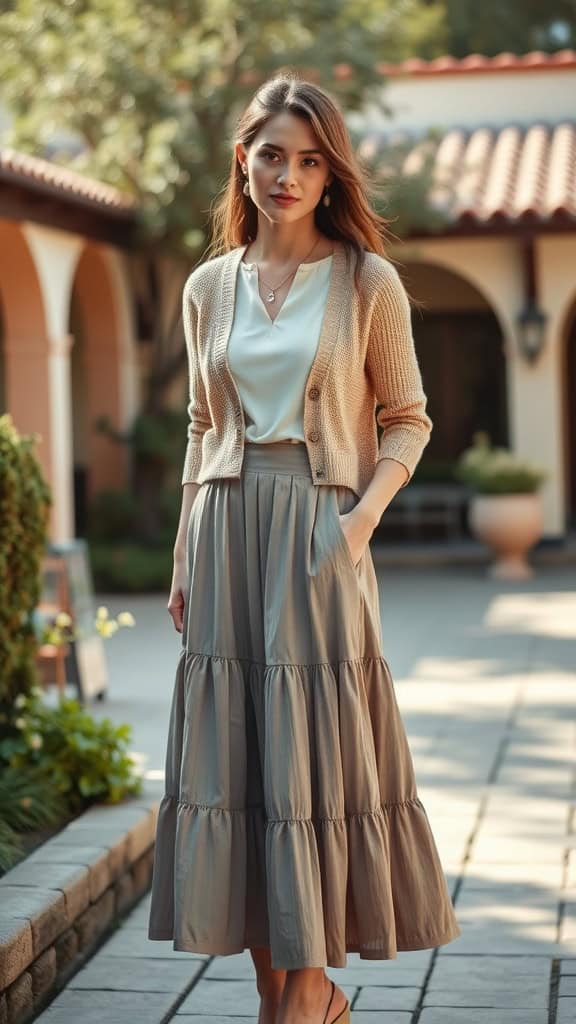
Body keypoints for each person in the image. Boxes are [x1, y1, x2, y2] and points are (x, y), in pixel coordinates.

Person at [147, 71, 460, 1024]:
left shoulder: (369, 282)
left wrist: (357, 522)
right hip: (225, 528)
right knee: (241, 770)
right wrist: (180, 557)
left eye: (310, 159)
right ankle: (290, 1002)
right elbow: (206, 426)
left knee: (310, 764)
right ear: (244, 163)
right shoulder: (208, 287)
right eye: (273, 155)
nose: (288, 174)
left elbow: (408, 418)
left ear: (332, 175)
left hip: (320, 531)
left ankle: (310, 994)